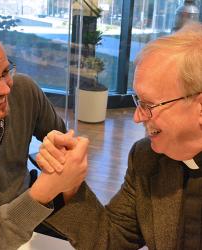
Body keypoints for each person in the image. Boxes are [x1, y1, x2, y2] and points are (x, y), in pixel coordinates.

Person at [37, 22, 202, 249]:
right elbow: (111, 239)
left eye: (148, 104)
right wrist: (69, 184)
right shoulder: (148, 158)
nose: (137, 117)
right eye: (138, 101)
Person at [0, 19, 89, 250]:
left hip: (28, 199)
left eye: (5, 71)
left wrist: (63, 154)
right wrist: (43, 192)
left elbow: (65, 143)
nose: (5, 88)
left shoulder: (24, 91)